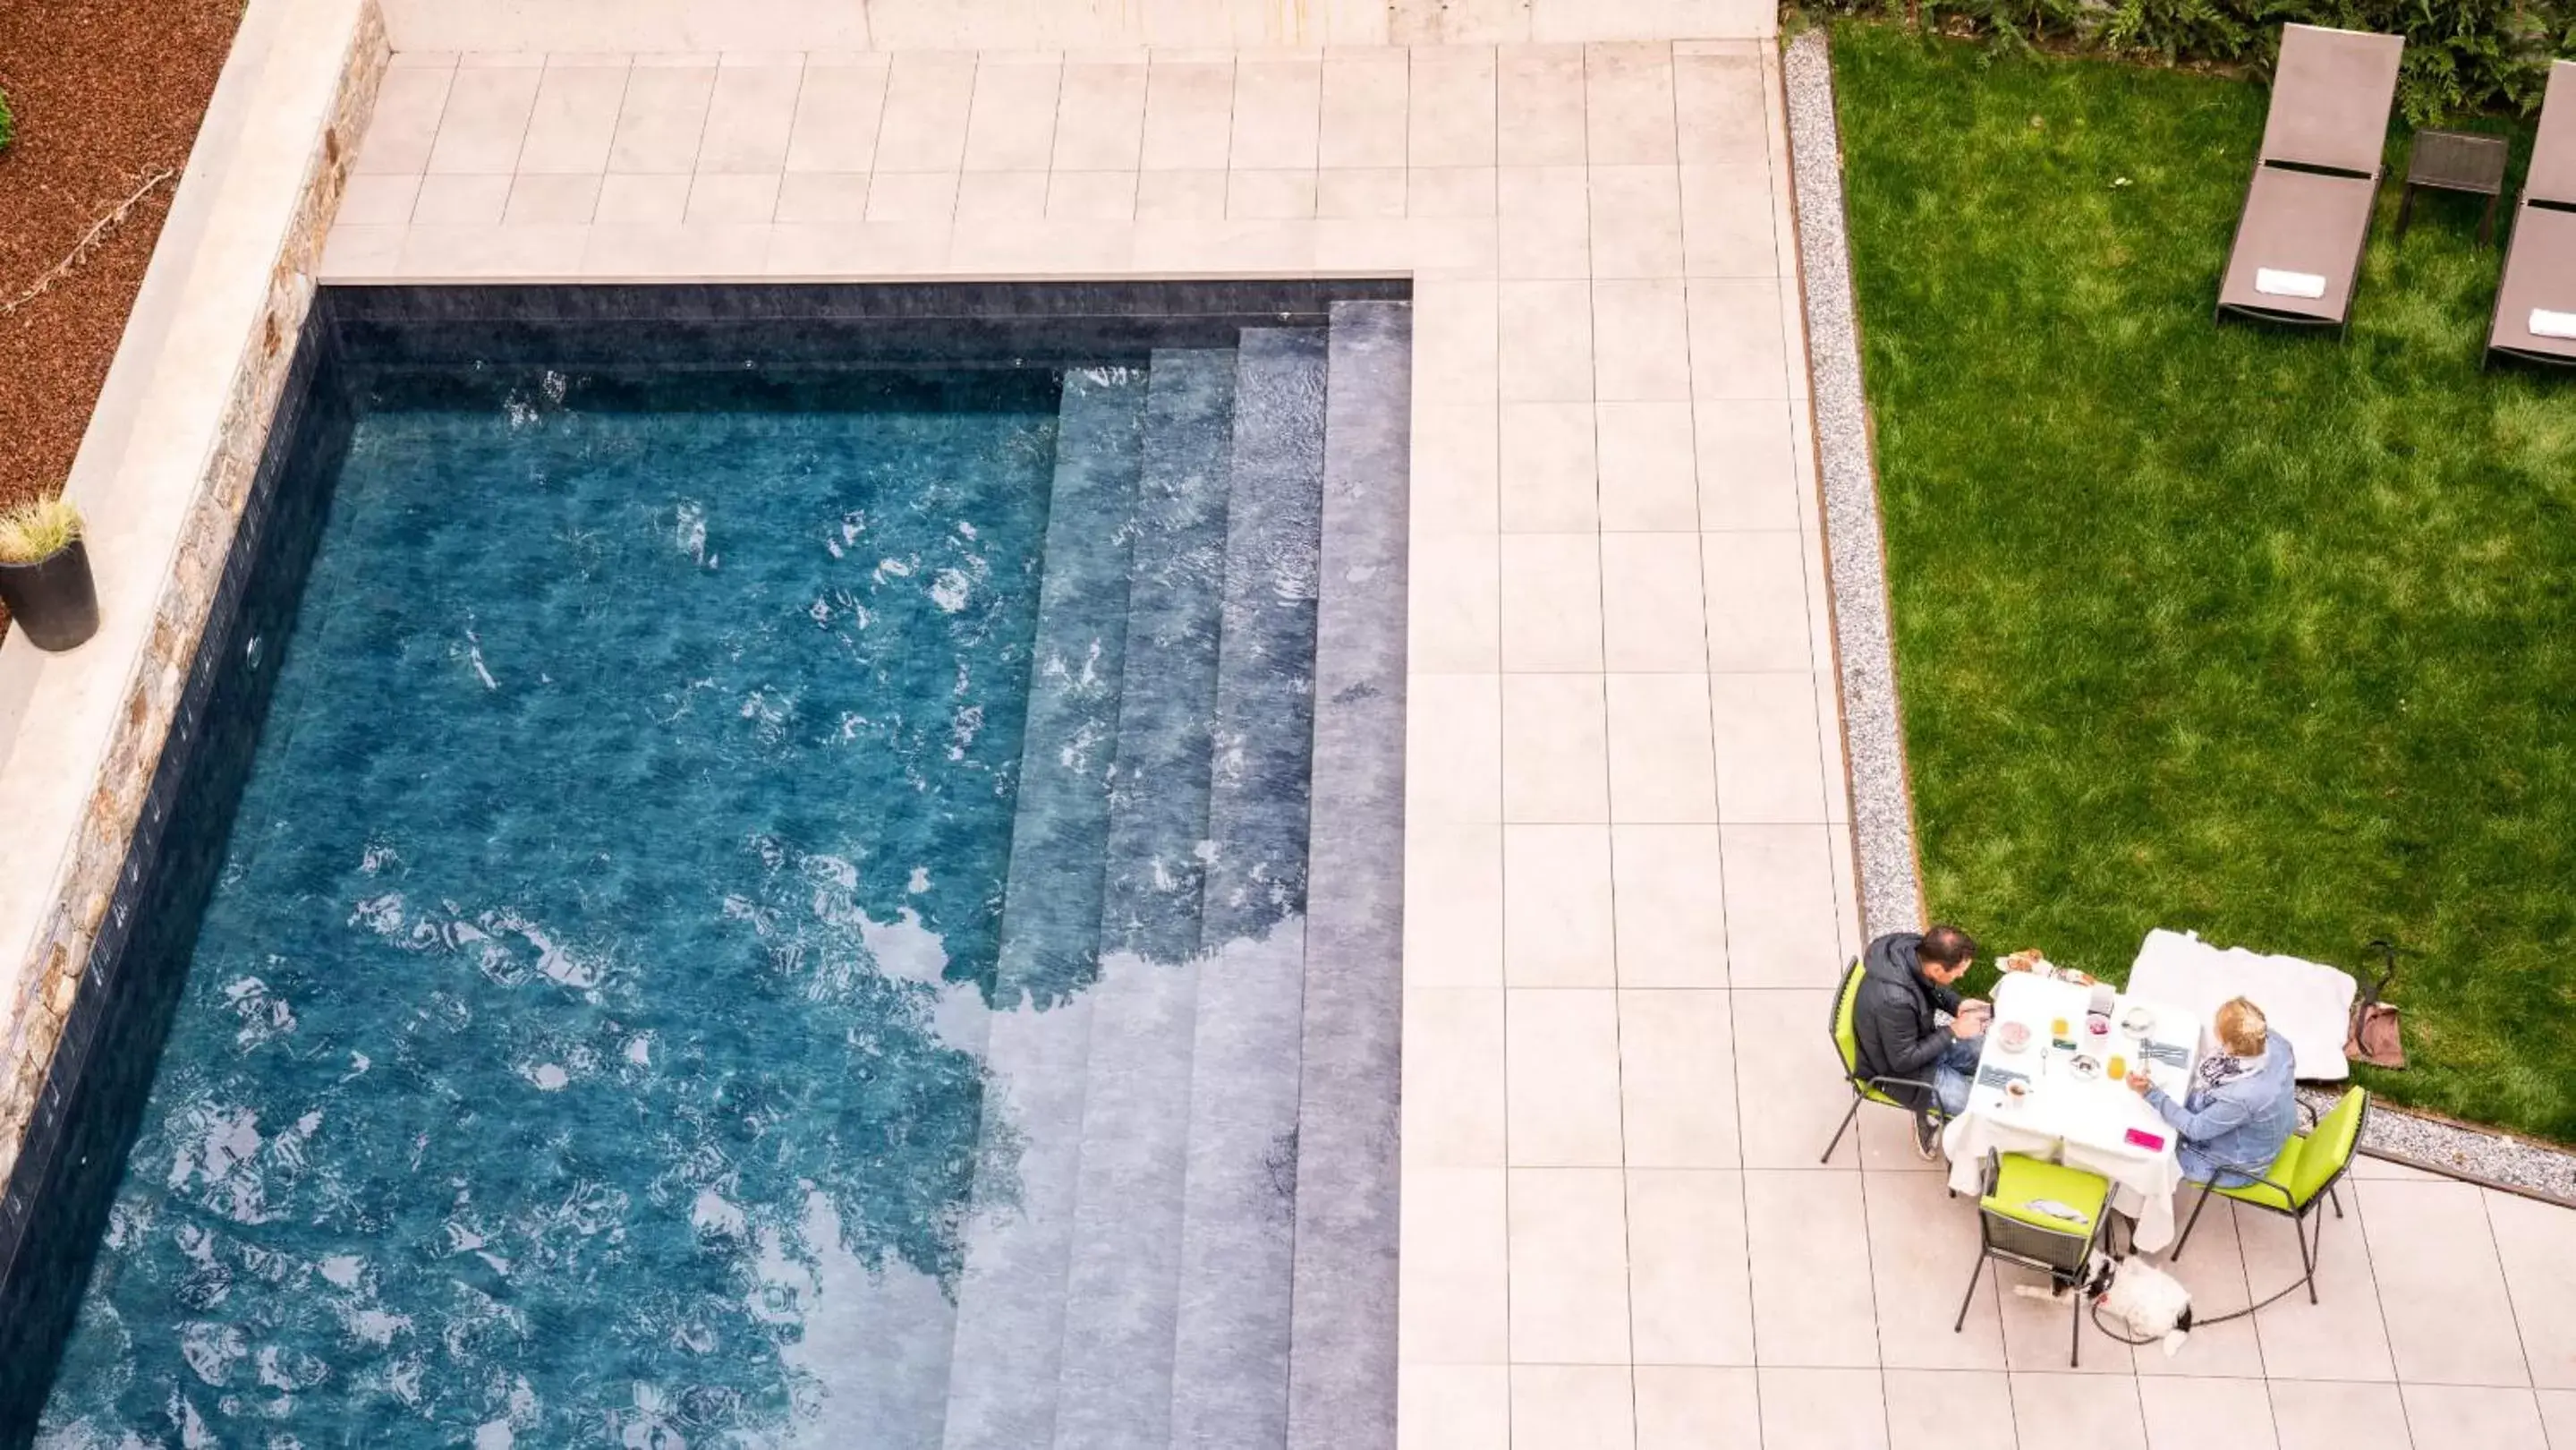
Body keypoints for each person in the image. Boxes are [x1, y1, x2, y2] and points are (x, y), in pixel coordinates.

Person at [1854, 925, 2035, 1158]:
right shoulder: (1895, 1000)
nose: (1961, 976)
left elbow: (1928, 985)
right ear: (1939, 967)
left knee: (1991, 1049)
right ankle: (1926, 1113)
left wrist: (1956, 1004)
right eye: (1959, 971)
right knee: (1980, 1109)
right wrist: (1953, 1031)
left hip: (1916, 1041)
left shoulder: (1913, 951)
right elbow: (1901, 1061)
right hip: (1902, 1074)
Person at [2126, 996, 2298, 1187]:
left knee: (2143, 1148)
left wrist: (2150, 1092)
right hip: (2264, 1134)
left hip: (2233, 1165)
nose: (2214, 1030)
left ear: (2232, 1045)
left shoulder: (2241, 1098)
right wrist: (2153, 1051)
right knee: (2169, 1101)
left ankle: (2135, 1201)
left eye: (2218, 1029)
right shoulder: (2271, 1042)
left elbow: (2194, 1128)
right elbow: (2209, 1060)